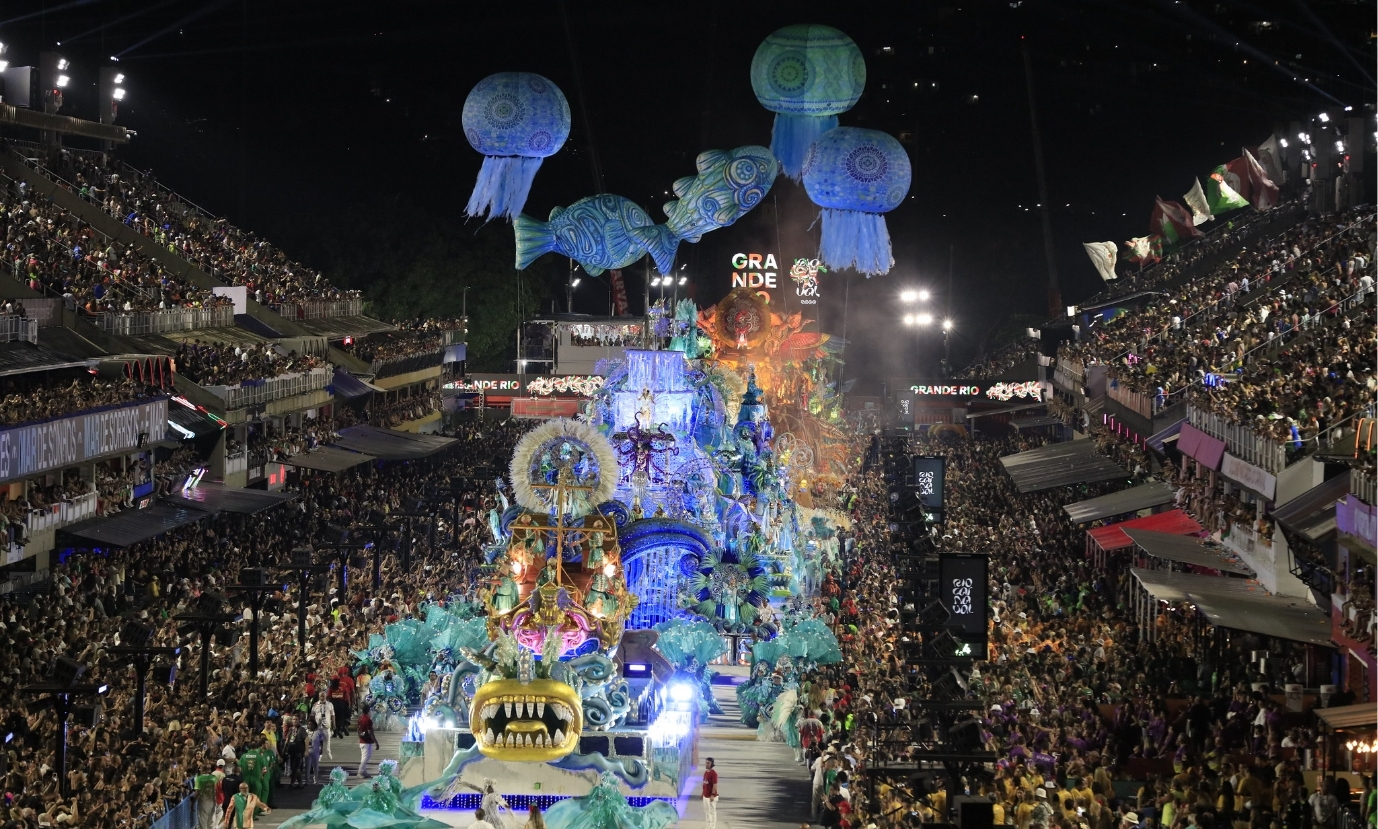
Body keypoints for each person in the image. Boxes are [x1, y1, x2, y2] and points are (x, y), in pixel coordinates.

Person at [357, 704, 379, 778]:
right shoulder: (368, 720)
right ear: (368, 711)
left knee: (364, 757)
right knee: (366, 757)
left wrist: (360, 737)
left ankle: (364, 771)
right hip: (366, 741)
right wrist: (376, 742)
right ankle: (360, 772)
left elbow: (358, 729)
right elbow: (370, 732)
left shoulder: (360, 718)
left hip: (362, 740)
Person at [285, 717, 307, 789]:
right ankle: (298, 783)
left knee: (296, 767)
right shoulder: (291, 729)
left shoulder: (301, 729)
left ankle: (294, 783)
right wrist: (285, 748)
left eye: (296, 719)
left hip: (299, 751)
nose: (295, 721)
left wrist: (306, 750)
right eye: (293, 719)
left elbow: (306, 739)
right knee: (293, 768)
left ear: (299, 720)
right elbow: (287, 739)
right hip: (292, 751)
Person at [306, 718, 326, 785]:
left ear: (315, 725)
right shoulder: (305, 732)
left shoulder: (318, 732)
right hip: (307, 751)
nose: (310, 726)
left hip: (315, 751)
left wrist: (321, 749)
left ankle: (316, 780)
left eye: (312, 724)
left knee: (315, 766)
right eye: (309, 724)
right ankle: (307, 780)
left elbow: (321, 741)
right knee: (307, 766)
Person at [703, 756, 719, 829]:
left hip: (711, 796)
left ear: (712, 764)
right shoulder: (706, 773)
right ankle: (708, 825)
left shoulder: (714, 773)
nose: (706, 764)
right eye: (706, 763)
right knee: (706, 811)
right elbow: (704, 783)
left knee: (712, 811)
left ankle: (712, 826)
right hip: (705, 795)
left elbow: (715, 785)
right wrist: (703, 793)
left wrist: (712, 795)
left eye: (708, 763)